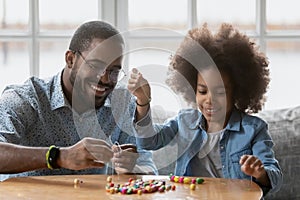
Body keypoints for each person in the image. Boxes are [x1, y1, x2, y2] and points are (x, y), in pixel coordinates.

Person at [128, 23, 282, 196]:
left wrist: (260, 172)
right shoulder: (185, 121)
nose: (210, 100)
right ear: (193, 89)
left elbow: (274, 176)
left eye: (221, 92)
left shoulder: (254, 130)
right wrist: (143, 101)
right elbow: (149, 142)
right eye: (202, 91)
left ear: (237, 92)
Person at [0, 20, 157, 180]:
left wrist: (132, 168)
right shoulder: (26, 99)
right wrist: (59, 157)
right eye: (95, 66)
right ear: (70, 59)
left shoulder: (122, 102)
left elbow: (150, 169)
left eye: (114, 72)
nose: (104, 79)